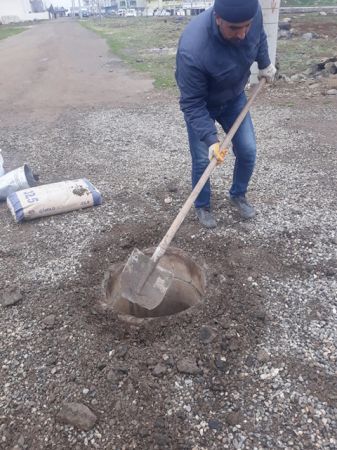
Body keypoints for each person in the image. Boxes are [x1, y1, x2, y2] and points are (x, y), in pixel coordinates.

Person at [175, 0, 276, 228]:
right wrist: (211, 140)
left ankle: (238, 195)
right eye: (233, 28)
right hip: (203, 104)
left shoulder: (253, 12)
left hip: (234, 98)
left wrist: (265, 63)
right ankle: (202, 205)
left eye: (245, 26)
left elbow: (258, 36)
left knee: (248, 150)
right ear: (218, 18)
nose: (241, 35)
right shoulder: (192, 49)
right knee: (203, 160)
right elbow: (191, 103)